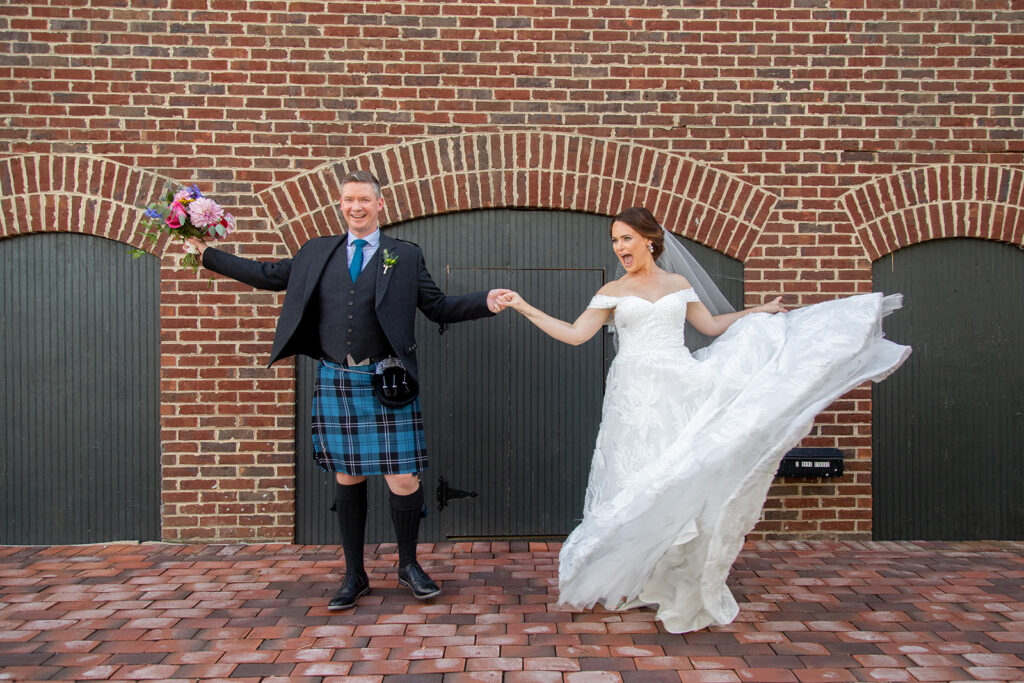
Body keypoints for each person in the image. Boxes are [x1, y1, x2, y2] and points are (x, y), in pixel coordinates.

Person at [498, 206, 910, 633]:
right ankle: (631, 573)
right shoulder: (612, 290)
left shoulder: (678, 284)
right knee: (635, 477)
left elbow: (711, 327)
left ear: (649, 240)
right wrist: (525, 307)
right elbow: (575, 334)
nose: (620, 247)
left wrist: (756, 313)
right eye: (615, 240)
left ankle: (674, 576)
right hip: (634, 398)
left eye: (626, 238)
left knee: (678, 474)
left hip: (682, 388)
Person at [187, 170, 509, 610]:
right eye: (347, 200)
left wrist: (483, 301)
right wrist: (208, 256)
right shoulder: (317, 252)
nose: (355, 207)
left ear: (380, 204)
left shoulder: (404, 255)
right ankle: (354, 574)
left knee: (403, 477)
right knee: (348, 474)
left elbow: (436, 306)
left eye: (363, 199)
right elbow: (266, 274)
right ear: (340, 205)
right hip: (338, 378)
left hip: (386, 380)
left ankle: (409, 566)